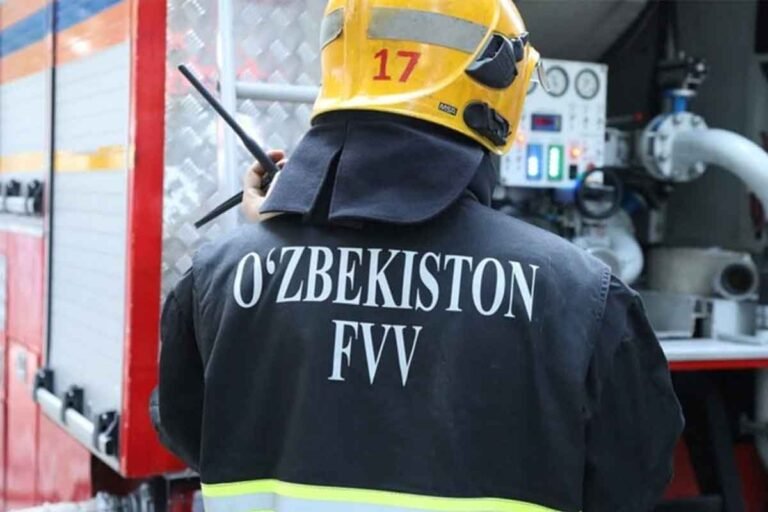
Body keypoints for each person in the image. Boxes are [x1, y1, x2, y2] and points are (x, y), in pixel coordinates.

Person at [157, 0, 684, 511]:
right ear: (501, 87)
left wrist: (277, 250)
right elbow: (633, 471)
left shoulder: (218, 276)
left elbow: (190, 428)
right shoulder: (582, 296)